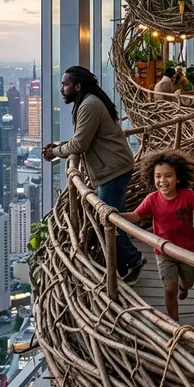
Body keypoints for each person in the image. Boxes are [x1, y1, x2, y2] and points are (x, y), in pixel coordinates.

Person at [42, 66, 146, 283]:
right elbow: (84, 137)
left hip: (112, 170)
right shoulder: (86, 102)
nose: (61, 89)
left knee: (108, 221)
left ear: (77, 86)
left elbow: (80, 143)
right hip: (111, 168)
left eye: (65, 84)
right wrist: (61, 146)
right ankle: (124, 265)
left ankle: (133, 260)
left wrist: (55, 152)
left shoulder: (88, 105)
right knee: (110, 218)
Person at [122, 150, 194, 321]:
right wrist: (115, 214)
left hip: (187, 250)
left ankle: (184, 287)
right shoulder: (151, 199)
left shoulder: (187, 196)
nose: (162, 181)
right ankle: (174, 323)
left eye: (168, 176)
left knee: (188, 281)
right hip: (163, 252)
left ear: (178, 178)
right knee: (169, 289)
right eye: (158, 176)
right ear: (152, 178)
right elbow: (135, 216)